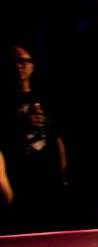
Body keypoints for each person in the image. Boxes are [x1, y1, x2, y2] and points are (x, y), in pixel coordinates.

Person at [4, 46, 68, 231]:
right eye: (15, 62)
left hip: (47, 174)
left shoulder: (44, 99)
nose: (20, 66)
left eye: (24, 61)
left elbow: (57, 139)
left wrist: (62, 174)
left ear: (32, 66)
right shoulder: (5, 101)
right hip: (20, 176)